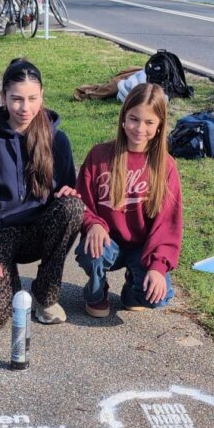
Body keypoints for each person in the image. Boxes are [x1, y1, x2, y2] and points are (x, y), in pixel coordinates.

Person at [0, 58, 83, 330]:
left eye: (33, 98)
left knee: (73, 207)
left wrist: (69, 192)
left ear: (42, 96)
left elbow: (67, 191)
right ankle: (8, 280)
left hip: (38, 231)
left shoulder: (58, 140)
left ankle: (45, 293)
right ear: (3, 98)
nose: (25, 107)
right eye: (17, 99)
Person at [75, 83, 181, 318]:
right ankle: (96, 292)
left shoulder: (166, 166)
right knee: (92, 252)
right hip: (106, 243)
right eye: (134, 119)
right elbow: (80, 201)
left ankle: (133, 288)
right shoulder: (99, 155)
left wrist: (157, 267)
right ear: (123, 118)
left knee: (160, 297)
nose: (139, 128)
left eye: (149, 122)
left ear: (160, 125)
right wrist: (93, 223)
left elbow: (168, 226)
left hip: (143, 248)